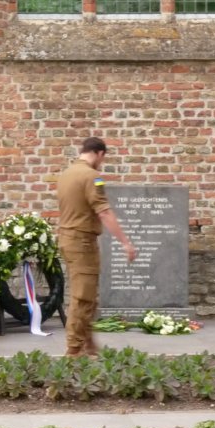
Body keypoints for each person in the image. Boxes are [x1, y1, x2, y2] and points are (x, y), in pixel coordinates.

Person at [56, 137, 137, 358]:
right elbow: (103, 212)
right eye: (103, 158)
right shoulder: (92, 177)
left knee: (87, 294)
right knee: (82, 297)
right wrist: (125, 242)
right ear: (99, 154)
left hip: (68, 238)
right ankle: (74, 350)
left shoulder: (66, 174)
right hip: (82, 242)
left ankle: (88, 345)